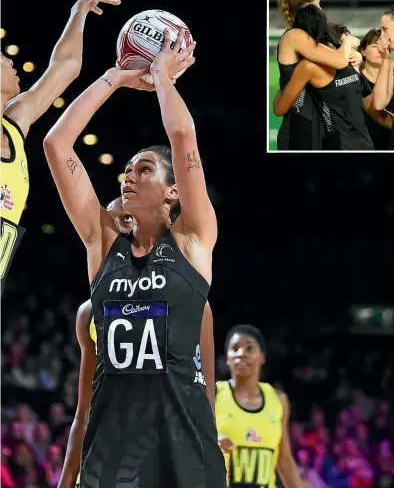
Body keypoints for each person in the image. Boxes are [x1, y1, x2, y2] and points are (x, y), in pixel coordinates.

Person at [43, 29, 226, 487]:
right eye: (126, 169)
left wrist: (163, 78)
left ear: (172, 191)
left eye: (144, 169)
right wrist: (114, 78)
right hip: (111, 456)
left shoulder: (193, 240)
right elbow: (56, 144)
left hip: (184, 453)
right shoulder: (103, 244)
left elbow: (182, 134)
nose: (128, 176)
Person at [0, 0, 122, 293]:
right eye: (1, 56)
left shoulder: (14, 122)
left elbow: (66, 67)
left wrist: (78, 12)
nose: (10, 60)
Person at [273, 5, 390, 150]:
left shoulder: (309, 67)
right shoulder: (349, 63)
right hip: (359, 144)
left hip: (345, 146)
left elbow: (278, 109)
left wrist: (287, 79)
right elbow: (373, 107)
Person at [216, 324, 304, 488]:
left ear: (262, 357)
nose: (241, 354)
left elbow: (284, 461)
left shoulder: (278, 400)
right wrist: (211, 440)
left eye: (250, 348)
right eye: (234, 349)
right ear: (227, 358)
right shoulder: (214, 394)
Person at [275, 0, 356, 150]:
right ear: (310, 5)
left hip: (320, 126)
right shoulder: (295, 36)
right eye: (318, 3)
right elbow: (340, 60)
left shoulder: (309, 37)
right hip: (301, 132)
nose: (321, 9)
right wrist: (347, 41)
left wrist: (356, 55)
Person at [358, 29, 394, 149]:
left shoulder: (392, 79)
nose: (380, 50)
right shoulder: (355, 80)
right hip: (367, 147)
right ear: (363, 51)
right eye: (375, 46)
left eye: (383, 46)